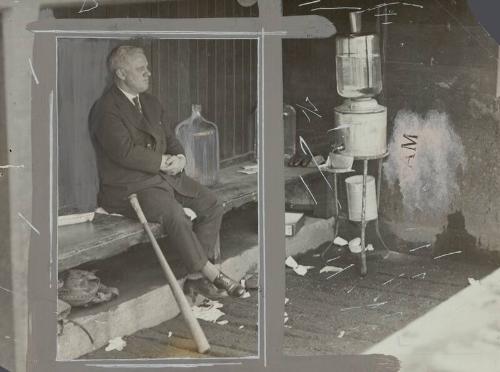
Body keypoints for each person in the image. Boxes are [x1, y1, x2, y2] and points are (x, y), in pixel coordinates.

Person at [89, 45, 245, 299]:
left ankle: (195, 278)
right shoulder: (106, 109)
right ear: (120, 74)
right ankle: (210, 273)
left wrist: (180, 158)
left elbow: (170, 139)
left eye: (147, 67)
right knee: (176, 215)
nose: (148, 73)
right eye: (140, 69)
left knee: (212, 203)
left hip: (164, 179)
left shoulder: (150, 103)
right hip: (129, 187)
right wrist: (162, 162)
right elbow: (124, 153)